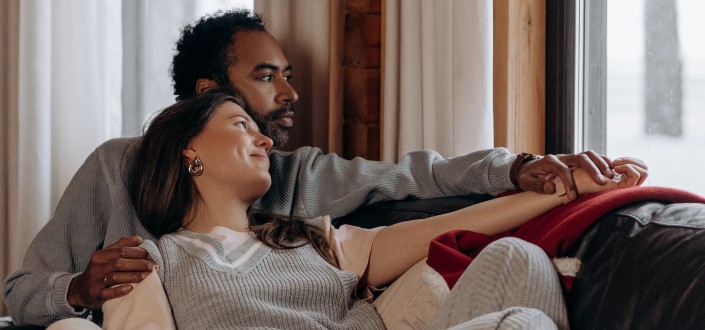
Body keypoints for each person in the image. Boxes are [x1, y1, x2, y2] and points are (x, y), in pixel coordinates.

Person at [3, 9, 646, 327]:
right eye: (264, 80)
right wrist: (82, 290)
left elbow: (419, 176)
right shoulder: (128, 199)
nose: (289, 97)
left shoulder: (300, 199)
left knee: (520, 267)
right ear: (202, 101)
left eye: (289, 76)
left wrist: (536, 173)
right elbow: (18, 292)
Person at [64, 91, 639, 329]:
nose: (265, 139)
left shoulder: (310, 238)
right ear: (188, 152)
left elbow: (445, 227)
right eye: (241, 125)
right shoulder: (145, 265)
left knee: (517, 257)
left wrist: (563, 190)